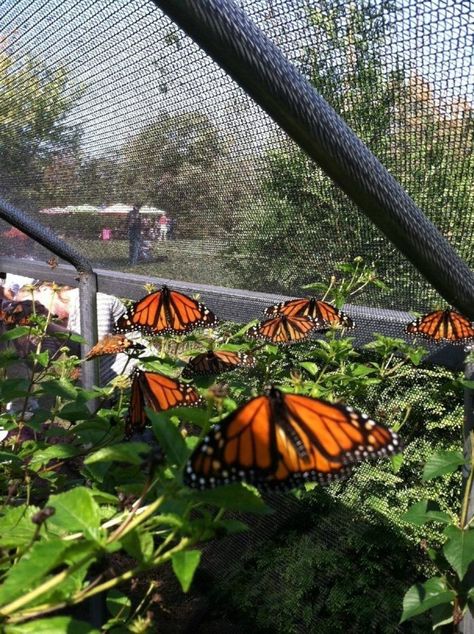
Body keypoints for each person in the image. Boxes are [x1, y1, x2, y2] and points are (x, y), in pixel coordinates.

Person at [16, 282, 137, 385]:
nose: (32, 314)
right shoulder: (59, 322)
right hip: (108, 393)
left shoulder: (94, 299)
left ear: (46, 289)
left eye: (30, 304)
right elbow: (39, 365)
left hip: (136, 380)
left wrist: (47, 325)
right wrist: (16, 335)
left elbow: (92, 347)